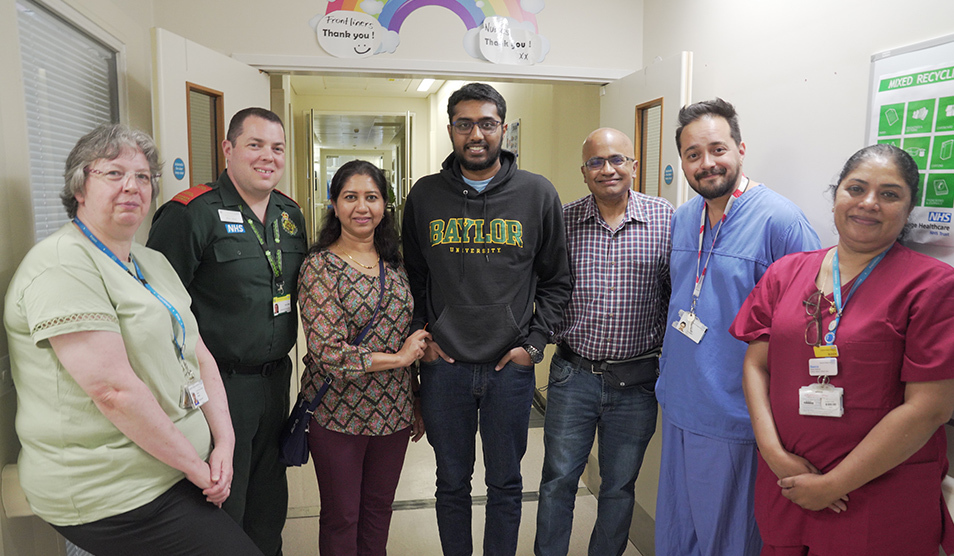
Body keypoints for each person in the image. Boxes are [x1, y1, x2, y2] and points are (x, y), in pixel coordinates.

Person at [3, 124, 263, 556]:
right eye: (113, 173)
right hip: (113, 490)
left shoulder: (150, 260)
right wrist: (198, 469)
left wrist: (225, 443)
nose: (132, 186)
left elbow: (197, 353)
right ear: (79, 188)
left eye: (143, 176)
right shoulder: (61, 266)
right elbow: (113, 392)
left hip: (172, 468)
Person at [729, 144, 954, 556]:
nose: (869, 203)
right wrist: (774, 454)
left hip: (876, 495)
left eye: (889, 194)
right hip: (789, 482)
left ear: (909, 209)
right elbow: (756, 366)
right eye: (856, 188)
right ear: (836, 196)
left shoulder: (933, 286)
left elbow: (930, 408)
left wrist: (833, 484)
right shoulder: (785, 273)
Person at [402, 82, 572, 556]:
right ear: (451, 130)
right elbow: (412, 278)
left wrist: (533, 345)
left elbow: (557, 280)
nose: (475, 134)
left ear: (503, 128)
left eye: (487, 124)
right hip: (444, 369)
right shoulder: (425, 195)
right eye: (464, 124)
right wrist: (423, 338)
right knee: (451, 482)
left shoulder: (537, 194)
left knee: (506, 484)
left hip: (508, 371)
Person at [654, 98, 821, 556]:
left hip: (735, 416)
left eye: (717, 149)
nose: (706, 163)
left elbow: (809, 327)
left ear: (740, 149)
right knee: (679, 535)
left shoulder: (780, 221)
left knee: (727, 540)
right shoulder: (683, 218)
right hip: (680, 405)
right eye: (693, 154)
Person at [147, 107, 307, 556]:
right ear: (228, 149)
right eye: (255, 145)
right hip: (217, 386)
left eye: (277, 148)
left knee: (268, 504)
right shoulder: (190, 213)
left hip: (275, 381)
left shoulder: (290, 214)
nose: (268, 157)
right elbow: (155, 312)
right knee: (221, 502)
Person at [534, 128, 672, 556]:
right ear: (584, 171)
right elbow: (543, 287)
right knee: (558, 481)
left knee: (619, 485)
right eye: (596, 162)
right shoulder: (563, 221)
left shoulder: (665, 220)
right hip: (572, 376)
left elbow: (676, 293)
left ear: (634, 166)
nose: (607, 169)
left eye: (617, 160)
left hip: (636, 382)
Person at [298, 160, 430, 555]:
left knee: (378, 512)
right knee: (342, 517)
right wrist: (399, 359)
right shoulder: (319, 267)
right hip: (338, 415)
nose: (361, 207)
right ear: (334, 204)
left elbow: (408, 333)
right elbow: (328, 352)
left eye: (371, 197)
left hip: (394, 414)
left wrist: (415, 396)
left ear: (384, 205)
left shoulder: (397, 265)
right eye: (350, 197)